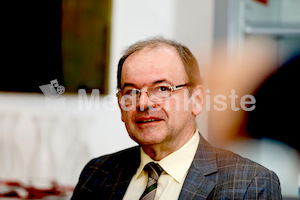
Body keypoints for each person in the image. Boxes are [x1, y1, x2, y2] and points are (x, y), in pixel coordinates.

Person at [71, 37, 282, 200]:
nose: (143, 103)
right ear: (120, 105)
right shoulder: (97, 173)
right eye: (131, 91)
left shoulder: (250, 183)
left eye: (162, 88)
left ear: (197, 100)